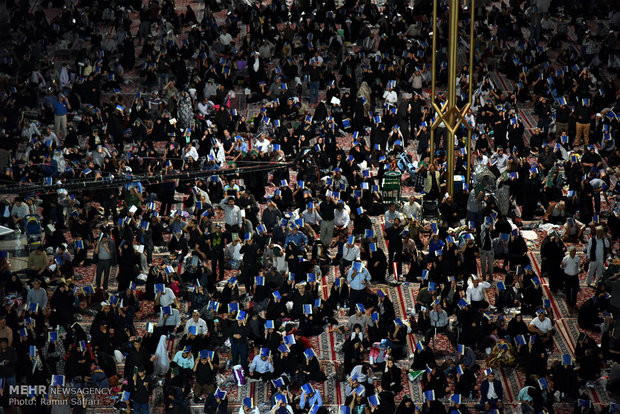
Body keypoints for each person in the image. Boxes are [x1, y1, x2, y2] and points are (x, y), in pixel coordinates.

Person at [561, 245, 582, 312]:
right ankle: (569, 303)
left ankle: (573, 303)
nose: (573, 253)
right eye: (571, 251)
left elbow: (579, 266)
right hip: (567, 276)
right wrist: (562, 266)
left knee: (575, 291)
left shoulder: (577, 259)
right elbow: (562, 267)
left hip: (575, 276)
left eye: (574, 251)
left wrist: (579, 269)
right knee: (567, 290)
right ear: (569, 252)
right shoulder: (566, 258)